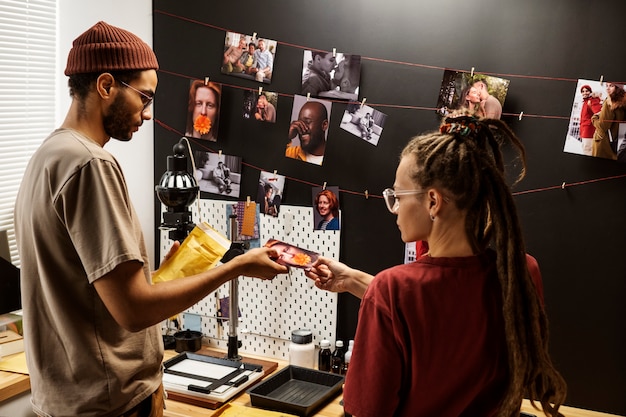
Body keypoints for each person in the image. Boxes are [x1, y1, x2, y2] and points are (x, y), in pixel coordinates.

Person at [13, 21, 287, 417]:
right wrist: (237, 267)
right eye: (144, 97)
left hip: (67, 400)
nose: (146, 114)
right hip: (111, 402)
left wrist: (162, 276)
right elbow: (135, 311)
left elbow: (95, 295)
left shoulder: (48, 156)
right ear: (106, 86)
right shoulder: (92, 164)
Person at [305, 115, 567, 416]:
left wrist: (372, 290)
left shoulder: (392, 291)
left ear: (433, 202)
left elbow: (368, 411)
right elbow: (447, 305)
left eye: (397, 196)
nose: (394, 209)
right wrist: (353, 280)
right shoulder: (520, 273)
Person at [286, 101, 329, 165]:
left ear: (324, 125)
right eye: (299, 123)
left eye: (307, 122)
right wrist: (287, 136)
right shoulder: (292, 153)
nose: (302, 127)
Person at [591, 82, 626, 160]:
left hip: (604, 143)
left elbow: (603, 126)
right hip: (617, 141)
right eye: (607, 86)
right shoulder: (623, 101)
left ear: (618, 87)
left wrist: (594, 118)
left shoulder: (610, 101)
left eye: (611, 86)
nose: (607, 88)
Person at [578, 84, 602, 156]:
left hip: (589, 130)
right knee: (586, 148)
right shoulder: (585, 102)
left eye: (587, 91)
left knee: (588, 149)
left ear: (590, 92)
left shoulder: (591, 101)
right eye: (583, 91)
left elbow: (598, 113)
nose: (584, 93)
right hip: (584, 129)